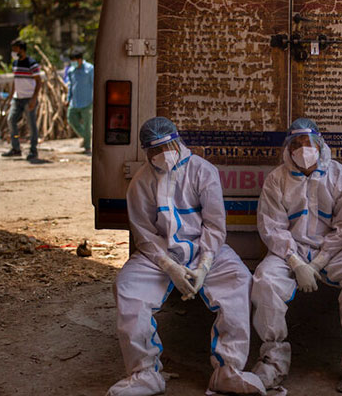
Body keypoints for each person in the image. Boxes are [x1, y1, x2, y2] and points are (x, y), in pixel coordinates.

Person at [108, 117, 265, 396]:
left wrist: (204, 265)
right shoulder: (141, 182)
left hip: (204, 249)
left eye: (167, 146)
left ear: (178, 142)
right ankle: (144, 374)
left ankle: (228, 371)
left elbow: (214, 226)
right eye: (156, 150)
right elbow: (144, 234)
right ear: (147, 152)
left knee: (238, 280)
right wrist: (169, 266)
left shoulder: (203, 171)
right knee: (128, 288)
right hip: (158, 257)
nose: (163, 154)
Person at [250, 119, 342, 393]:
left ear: (320, 144)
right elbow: (272, 227)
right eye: (297, 144)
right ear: (288, 149)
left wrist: (317, 263)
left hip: (334, 250)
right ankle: (273, 360)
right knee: (265, 280)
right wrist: (295, 261)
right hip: (290, 251)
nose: (304, 150)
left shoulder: (341, 175)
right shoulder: (277, 179)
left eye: (309, 143)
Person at [3, 39, 42, 160]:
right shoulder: (15, 63)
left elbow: (39, 82)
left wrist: (34, 99)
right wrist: (11, 96)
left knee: (31, 125)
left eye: (15, 49)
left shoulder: (32, 63)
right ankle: (16, 147)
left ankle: (33, 150)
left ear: (21, 49)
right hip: (17, 98)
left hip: (29, 98)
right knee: (11, 120)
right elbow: (15, 80)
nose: (13, 52)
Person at [65, 50, 94, 154]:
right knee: (71, 119)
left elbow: (95, 84)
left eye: (75, 60)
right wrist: (68, 99)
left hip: (87, 102)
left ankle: (87, 146)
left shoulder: (89, 69)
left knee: (87, 125)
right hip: (74, 102)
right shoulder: (71, 71)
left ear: (80, 59)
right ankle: (86, 137)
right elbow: (71, 86)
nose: (73, 63)